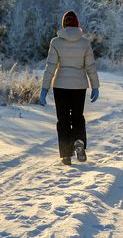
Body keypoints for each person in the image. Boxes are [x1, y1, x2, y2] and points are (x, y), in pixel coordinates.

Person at [39, 11, 100, 165]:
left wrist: (44, 88)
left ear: (64, 24)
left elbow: (50, 66)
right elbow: (90, 66)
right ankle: (78, 142)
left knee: (63, 119)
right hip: (79, 86)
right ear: (77, 24)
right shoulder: (85, 43)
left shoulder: (56, 42)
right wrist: (95, 86)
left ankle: (66, 154)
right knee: (77, 116)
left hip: (60, 86)